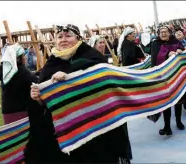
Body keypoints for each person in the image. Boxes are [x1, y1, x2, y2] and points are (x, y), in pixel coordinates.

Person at [26, 24, 132, 164]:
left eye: (68, 36)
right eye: (59, 37)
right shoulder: (51, 64)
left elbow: (103, 83)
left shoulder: (93, 57)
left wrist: (71, 76)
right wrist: (38, 98)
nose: (63, 39)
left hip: (94, 130)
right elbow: (45, 102)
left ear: (78, 38)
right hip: (64, 132)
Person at [150, 25, 185, 136]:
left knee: (178, 98)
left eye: (165, 31)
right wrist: (166, 55)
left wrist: (180, 50)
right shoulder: (156, 43)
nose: (164, 33)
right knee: (167, 102)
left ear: (169, 33)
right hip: (163, 77)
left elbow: (183, 50)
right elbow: (155, 59)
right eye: (161, 32)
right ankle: (167, 126)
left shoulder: (175, 41)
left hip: (176, 75)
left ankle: (179, 121)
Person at [0, 43, 37, 124]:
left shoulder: (5, 69)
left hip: (7, 110)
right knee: (22, 134)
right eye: (23, 56)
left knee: (13, 134)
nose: (25, 57)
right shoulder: (20, 70)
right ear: (17, 58)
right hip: (19, 110)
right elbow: (35, 80)